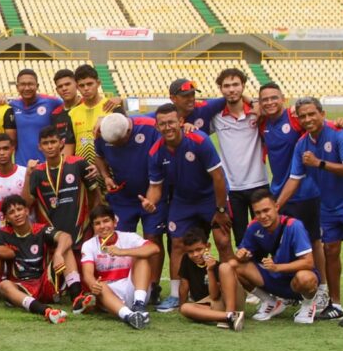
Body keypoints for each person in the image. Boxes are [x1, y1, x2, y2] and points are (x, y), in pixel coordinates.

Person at [277, 97, 343, 327]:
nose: (307, 119)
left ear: (322, 113)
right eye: (303, 116)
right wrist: (276, 206)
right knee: (330, 250)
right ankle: (335, 305)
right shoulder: (302, 145)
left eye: (312, 114)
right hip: (329, 205)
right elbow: (294, 179)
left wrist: (319, 163)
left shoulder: (341, 133)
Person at [144, 103, 232, 313]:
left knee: (222, 241)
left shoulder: (199, 140)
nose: (167, 127)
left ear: (181, 122)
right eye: (163, 124)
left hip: (211, 197)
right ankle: (175, 295)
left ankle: (231, 288)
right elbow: (155, 187)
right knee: (177, 243)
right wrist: (150, 202)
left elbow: (218, 177)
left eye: (171, 122)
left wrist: (220, 210)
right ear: (157, 127)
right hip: (183, 200)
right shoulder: (156, 152)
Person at [257, 82, 331, 311]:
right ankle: (288, 290)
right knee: (284, 242)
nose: (270, 102)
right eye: (264, 99)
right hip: (279, 191)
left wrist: (336, 123)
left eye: (274, 98)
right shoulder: (263, 123)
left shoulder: (294, 118)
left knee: (313, 241)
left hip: (306, 192)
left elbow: (317, 123)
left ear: (283, 99)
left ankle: (322, 289)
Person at [95, 112, 167, 305]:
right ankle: (123, 285)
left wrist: (152, 197)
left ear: (128, 131)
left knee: (153, 238)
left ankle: (153, 286)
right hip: (123, 197)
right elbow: (99, 157)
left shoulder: (150, 129)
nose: (117, 146)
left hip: (152, 193)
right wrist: (106, 176)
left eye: (120, 142)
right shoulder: (101, 133)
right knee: (119, 239)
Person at [228, 190, 320, 325]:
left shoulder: (294, 226)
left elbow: (309, 262)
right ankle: (270, 302)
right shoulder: (254, 226)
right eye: (258, 212)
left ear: (276, 207)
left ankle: (308, 304)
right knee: (233, 265)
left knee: (306, 278)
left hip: (296, 284)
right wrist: (241, 256)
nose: (262, 216)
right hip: (274, 278)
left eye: (266, 210)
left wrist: (277, 267)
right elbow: (243, 255)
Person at [22, 126, 90, 307]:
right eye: (45, 143)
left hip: (80, 230)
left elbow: (94, 193)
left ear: (61, 143)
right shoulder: (37, 172)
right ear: (39, 147)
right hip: (51, 234)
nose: (50, 146)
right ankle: (76, 295)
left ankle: (76, 293)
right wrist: (28, 175)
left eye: (53, 142)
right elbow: (26, 203)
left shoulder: (77, 164)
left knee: (88, 280)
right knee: (51, 291)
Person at [0, 195, 67, 323]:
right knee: (4, 285)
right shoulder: (2, 233)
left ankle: (77, 296)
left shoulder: (41, 229)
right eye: (11, 212)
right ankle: (44, 310)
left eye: (19, 209)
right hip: (21, 286)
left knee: (65, 248)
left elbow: (65, 237)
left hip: (45, 282)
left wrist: (58, 254)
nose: (17, 214)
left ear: (26, 211)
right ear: (6, 218)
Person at [210, 68, 268, 246]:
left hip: (259, 183)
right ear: (221, 89)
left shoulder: (258, 112)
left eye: (235, 84)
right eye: (226, 86)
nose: (231, 89)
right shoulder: (216, 117)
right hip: (232, 189)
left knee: (266, 238)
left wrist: (255, 102)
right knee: (241, 241)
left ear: (243, 86)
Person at [79, 204, 158, 330]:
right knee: (101, 285)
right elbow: (87, 274)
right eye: (97, 223)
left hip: (134, 289)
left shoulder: (129, 237)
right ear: (93, 227)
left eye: (106, 221)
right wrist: (93, 285)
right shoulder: (89, 245)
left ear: (115, 222)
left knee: (141, 257)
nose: (102, 226)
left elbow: (154, 248)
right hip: (109, 295)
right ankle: (130, 316)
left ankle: (139, 305)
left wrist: (122, 252)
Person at [67, 64, 122, 207]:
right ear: (77, 87)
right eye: (82, 85)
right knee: (89, 215)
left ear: (98, 83)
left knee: (111, 215)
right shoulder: (73, 113)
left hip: (110, 174)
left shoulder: (112, 107)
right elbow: (69, 148)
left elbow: (124, 141)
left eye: (90, 84)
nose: (86, 88)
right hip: (84, 175)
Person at [177, 227, 245, 332]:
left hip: (229, 300)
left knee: (225, 267)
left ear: (207, 246)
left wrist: (210, 270)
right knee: (185, 308)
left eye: (199, 249)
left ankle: (231, 313)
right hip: (211, 306)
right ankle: (228, 317)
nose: (195, 254)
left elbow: (214, 295)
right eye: (190, 251)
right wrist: (181, 306)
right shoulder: (186, 260)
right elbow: (184, 284)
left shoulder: (216, 266)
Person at [10, 68, 66, 166]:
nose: (27, 88)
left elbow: (72, 105)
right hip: (22, 166)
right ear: (17, 87)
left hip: (46, 165)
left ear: (37, 86)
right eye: (23, 84)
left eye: (30, 84)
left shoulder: (52, 102)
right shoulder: (13, 105)